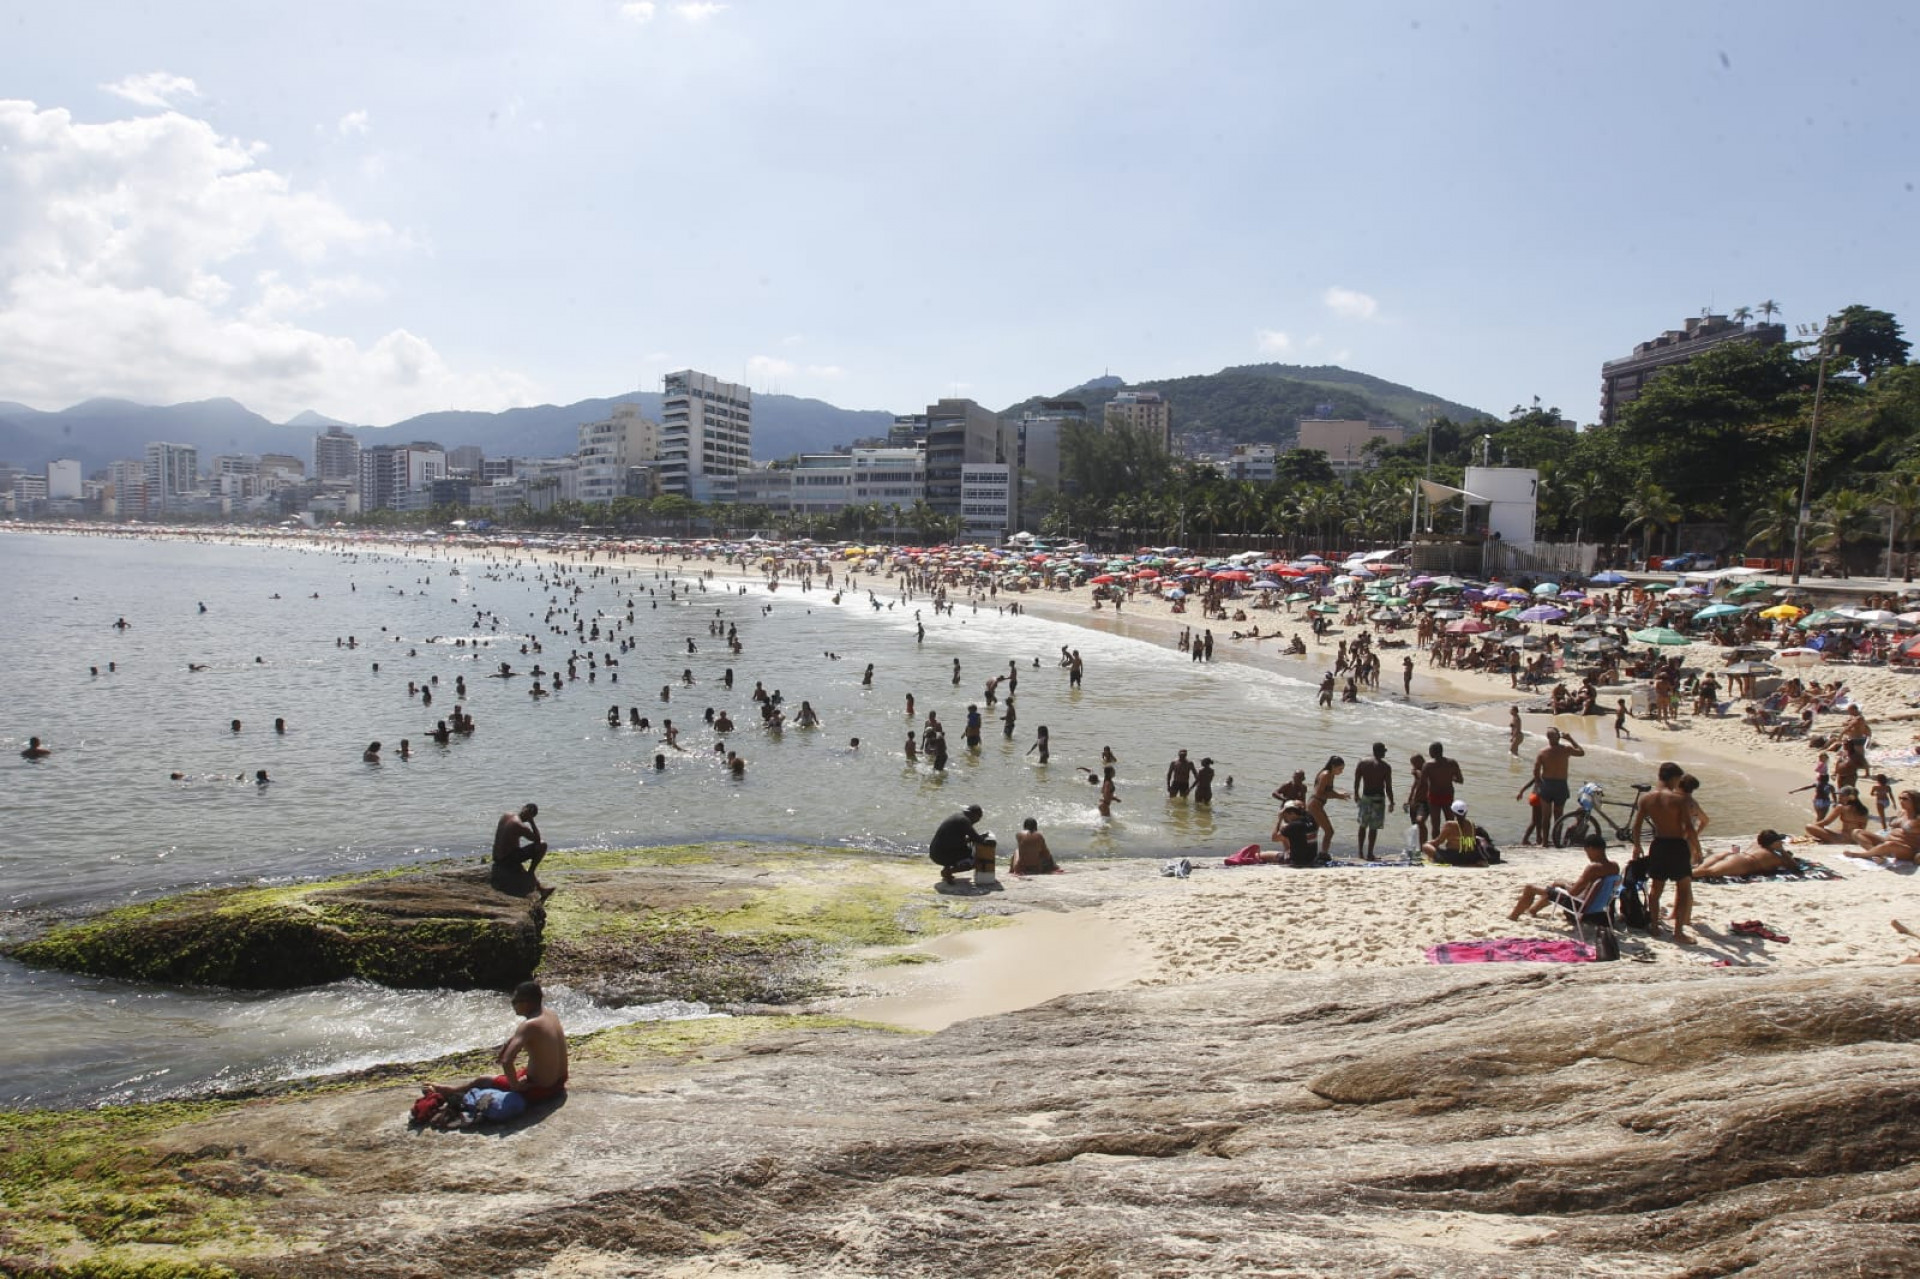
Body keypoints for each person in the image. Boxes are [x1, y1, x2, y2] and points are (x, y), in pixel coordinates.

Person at [423, 980, 568, 1110]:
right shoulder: (550, 1015)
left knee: (483, 1080)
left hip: (541, 1090)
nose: (512, 1005)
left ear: (526, 1003)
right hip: (559, 1082)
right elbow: (536, 1036)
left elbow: (506, 1061)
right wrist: (510, 1041)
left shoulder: (528, 1026)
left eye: (514, 1002)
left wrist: (515, 1086)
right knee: (521, 1071)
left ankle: (451, 1091)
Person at [1629, 762, 1697, 944]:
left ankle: (1653, 926)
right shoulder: (1678, 799)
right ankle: (1678, 932)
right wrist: (1697, 850)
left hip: (1658, 845)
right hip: (1677, 845)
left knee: (1656, 889)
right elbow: (1689, 827)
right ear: (1674, 778)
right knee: (1683, 888)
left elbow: (1636, 826)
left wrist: (1636, 846)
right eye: (1678, 780)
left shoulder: (1646, 799)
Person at [1508, 831, 1620, 920]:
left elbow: (1573, 893)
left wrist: (1565, 884)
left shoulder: (1593, 868)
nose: (1587, 855)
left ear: (1591, 848)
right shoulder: (1615, 866)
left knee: (1529, 888)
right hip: (1597, 906)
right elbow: (1595, 886)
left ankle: (1513, 917)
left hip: (1579, 906)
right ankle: (1533, 910)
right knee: (1557, 883)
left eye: (1586, 851)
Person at [1532, 728, 1585, 844]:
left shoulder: (1542, 752)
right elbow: (1581, 752)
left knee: (1546, 816)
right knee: (1559, 815)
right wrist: (1570, 739)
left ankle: (1545, 842)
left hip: (1547, 784)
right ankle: (1557, 841)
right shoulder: (1566, 749)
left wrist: (1538, 783)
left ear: (1548, 738)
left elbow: (1536, 770)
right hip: (1560, 784)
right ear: (1559, 737)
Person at [1693, 830, 1796, 880]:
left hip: (1732, 854)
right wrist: (1782, 850)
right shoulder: (1774, 857)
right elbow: (1794, 867)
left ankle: (1680, 873)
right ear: (1774, 843)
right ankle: (1679, 875)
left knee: (1700, 869)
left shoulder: (1756, 844)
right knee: (1708, 872)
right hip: (1742, 863)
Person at [1351, 742, 1394, 860]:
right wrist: (1392, 802)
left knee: (1362, 825)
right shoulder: (1385, 767)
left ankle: (1360, 852)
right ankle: (1370, 853)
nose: (1385, 753)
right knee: (1373, 828)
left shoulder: (1363, 762)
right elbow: (1388, 787)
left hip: (1366, 797)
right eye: (1384, 751)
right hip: (1379, 799)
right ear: (1380, 751)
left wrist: (1356, 794)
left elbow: (1357, 780)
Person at [493, 803, 549, 892]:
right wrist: (532, 822)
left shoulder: (506, 815)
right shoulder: (520, 826)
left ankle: (540, 889)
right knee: (543, 845)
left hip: (496, 857)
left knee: (517, 849)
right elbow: (537, 839)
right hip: (506, 860)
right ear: (531, 816)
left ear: (523, 808)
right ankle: (530, 873)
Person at [928, 804, 986, 883]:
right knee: (974, 861)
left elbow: (955, 840)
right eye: (978, 818)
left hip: (935, 852)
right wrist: (986, 840)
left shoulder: (958, 816)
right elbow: (976, 838)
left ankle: (947, 870)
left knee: (964, 849)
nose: (977, 821)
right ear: (974, 815)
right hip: (941, 855)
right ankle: (948, 872)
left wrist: (975, 838)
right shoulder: (964, 821)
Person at [1422, 801, 1489, 867]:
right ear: (1466, 812)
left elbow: (1438, 841)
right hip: (1469, 856)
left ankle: (1437, 859)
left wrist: (1429, 842)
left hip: (1453, 857)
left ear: (1453, 812)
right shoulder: (1472, 824)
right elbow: (1470, 843)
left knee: (1425, 846)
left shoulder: (1449, 824)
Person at [1308, 755, 1347, 857]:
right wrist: (1338, 796)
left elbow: (1328, 791)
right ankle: (1323, 854)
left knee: (1314, 830)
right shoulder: (1325, 774)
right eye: (1340, 769)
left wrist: (1339, 795)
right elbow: (1319, 793)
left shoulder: (1331, 775)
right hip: (1315, 804)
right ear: (1333, 766)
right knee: (1329, 831)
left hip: (1318, 804)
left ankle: (1312, 852)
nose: (1341, 772)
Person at [1423, 742, 1463, 817]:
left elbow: (1422, 783)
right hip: (1448, 795)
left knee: (1435, 825)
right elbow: (1460, 780)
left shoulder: (1428, 765)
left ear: (1432, 752)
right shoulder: (1452, 763)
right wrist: (1450, 777)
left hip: (1434, 795)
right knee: (1450, 821)